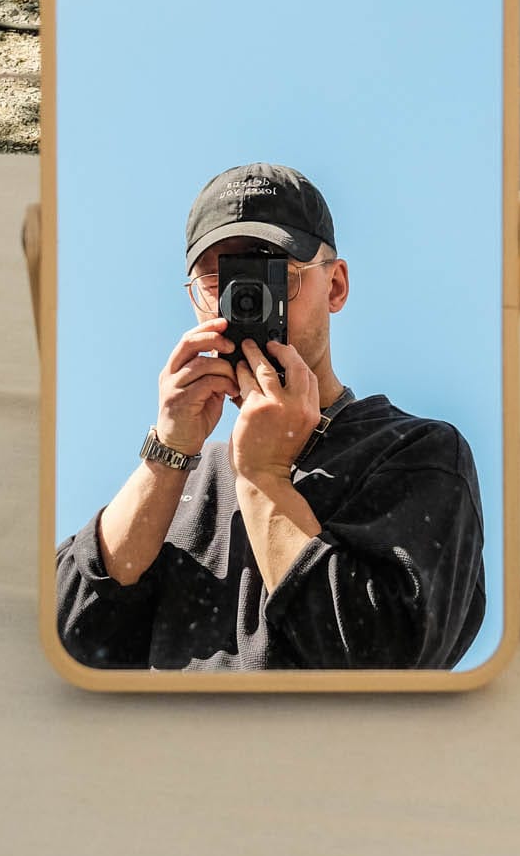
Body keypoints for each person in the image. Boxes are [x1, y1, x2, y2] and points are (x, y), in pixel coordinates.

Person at [55, 163, 487, 674]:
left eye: (273, 274)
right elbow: (66, 641)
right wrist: (168, 452)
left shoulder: (416, 452)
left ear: (335, 286)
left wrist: (263, 476)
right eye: (218, 278)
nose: (244, 299)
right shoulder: (180, 482)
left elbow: (384, 662)